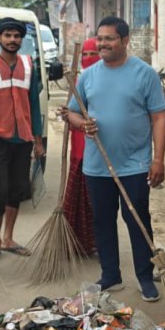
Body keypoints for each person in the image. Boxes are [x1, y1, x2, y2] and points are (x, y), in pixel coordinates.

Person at [66, 16, 165, 302]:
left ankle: (146, 277)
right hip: (97, 165)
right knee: (103, 219)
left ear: (125, 41)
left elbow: (159, 117)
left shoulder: (145, 73)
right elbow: (73, 112)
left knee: (137, 219)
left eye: (109, 38)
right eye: (99, 38)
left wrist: (158, 159)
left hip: (135, 163)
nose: (102, 44)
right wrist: (81, 123)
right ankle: (111, 274)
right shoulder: (88, 75)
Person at [0, 17, 44, 260]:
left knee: (17, 189)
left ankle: (8, 238)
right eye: (7, 35)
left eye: (16, 36)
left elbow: (34, 104)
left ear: (21, 39)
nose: (12, 40)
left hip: (23, 137)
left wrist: (38, 140)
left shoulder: (29, 66)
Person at [62, 37, 100, 256]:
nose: (88, 59)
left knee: (95, 200)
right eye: (84, 55)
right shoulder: (78, 79)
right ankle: (76, 243)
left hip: (97, 148)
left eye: (91, 54)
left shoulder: (103, 79)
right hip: (79, 146)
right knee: (77, 197)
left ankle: (95, 242)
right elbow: (73, 109)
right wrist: (66, 113)